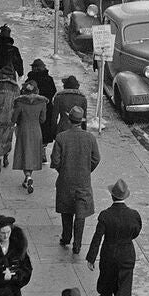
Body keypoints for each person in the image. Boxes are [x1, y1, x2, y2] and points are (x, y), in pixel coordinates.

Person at [86, 180, 143, 296]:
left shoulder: (105, 215)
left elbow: (97, 238)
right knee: (125, 287)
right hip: (127, 255)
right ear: (126, 196)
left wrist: (91, 258)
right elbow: (136, 232)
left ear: (112, 196)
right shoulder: (134, 215)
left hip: (109, 254)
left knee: (107, 281)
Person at [52, 107, 101, 253]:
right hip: (83, 182)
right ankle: (77, 244)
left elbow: (55, 160)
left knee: (66, 211)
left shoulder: (61, 137)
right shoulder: (90, 138)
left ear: (69, 119)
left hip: (65, 181)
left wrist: (63, 169)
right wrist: (87, 170)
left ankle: (66, 237)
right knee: (80, 215)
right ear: (81, 121)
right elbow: (96, 158)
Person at [13, 77, 49, 194]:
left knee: (24, 153)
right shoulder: (42, 102)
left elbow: (14, 118)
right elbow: (43, 119)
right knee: (33, 154)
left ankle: (27, 177)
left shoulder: (20, 102)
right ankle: (28, 177)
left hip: (23, 130)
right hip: (36, 130)